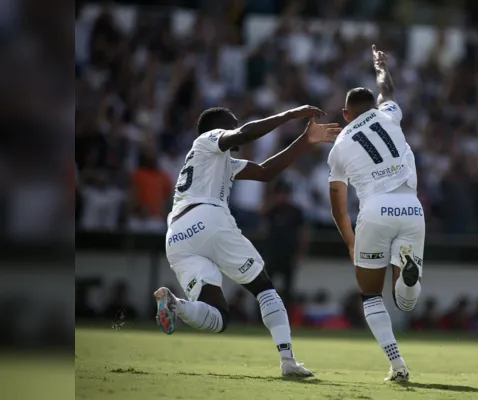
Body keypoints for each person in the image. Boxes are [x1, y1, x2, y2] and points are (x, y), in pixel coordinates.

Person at [153, 104, 340, 378]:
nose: (237, 124)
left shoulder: (218, 161)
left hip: (178, 236)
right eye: (233, 122)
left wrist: (306, 139)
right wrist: (288, 115)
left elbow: (266, 172)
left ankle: (175, 305)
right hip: (207, 217)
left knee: (218, 317)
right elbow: (243, 134)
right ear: (218, 126)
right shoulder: (206, 140)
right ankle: (288, 360)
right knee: (265, 289)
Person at [327, 45, 424, 382]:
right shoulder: (389, 114)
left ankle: (397, 365)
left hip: (375, 209)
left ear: (345, 114)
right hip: (411, 206)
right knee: (406, 303)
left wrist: (351, 241)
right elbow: (388, 89)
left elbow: (338, 206)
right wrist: (380, 64)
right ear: (375, 107)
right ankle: (409, 275)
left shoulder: (339, 144)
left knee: (370, 295)